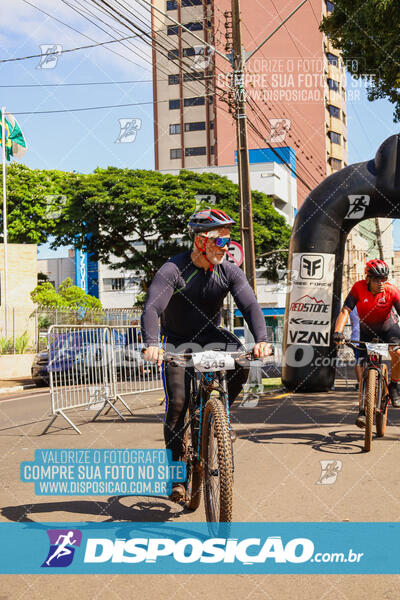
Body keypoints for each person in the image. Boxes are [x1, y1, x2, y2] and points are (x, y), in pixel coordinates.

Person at [141, 207, 272, 499]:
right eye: (220, 241)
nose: (227, 247)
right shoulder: (174, 270)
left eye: (229, 240)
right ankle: (177, 475)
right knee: (177, 404)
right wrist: (152, 343)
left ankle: (218, 415)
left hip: (212, 338)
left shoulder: (228, 270)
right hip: (177, 342)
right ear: (200, 241)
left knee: (241, 362)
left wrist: (261, 340)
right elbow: (152, 307)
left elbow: (250, 306)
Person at [333, 259, 400, 428]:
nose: (381, 283)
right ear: (368, 278)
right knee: (363, 367)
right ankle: (363, 410)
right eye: (377, 279)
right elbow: (345, 310)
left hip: (388, 327)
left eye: (383, 279)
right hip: (366, 330)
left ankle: (394, 385)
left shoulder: (392, 291)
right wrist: (338, 332)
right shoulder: (358, 288)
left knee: (398, 353)